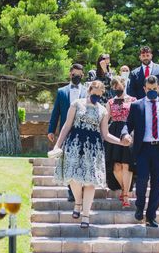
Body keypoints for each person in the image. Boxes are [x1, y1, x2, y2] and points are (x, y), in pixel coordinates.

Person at [51, 80, 125, 228]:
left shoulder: (103, 111)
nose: (96, 96)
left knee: (91, 183)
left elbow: (105, 134)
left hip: (94, 149)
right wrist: (57, 145)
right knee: (73, 178)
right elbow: (66, 126)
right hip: (74, 145)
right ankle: (78, 202)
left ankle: (86, 215)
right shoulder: (76, 104)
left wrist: (120, 141)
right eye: (94, 93)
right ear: (89, 90)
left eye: (99, 94)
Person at [121, 75, 159, 228]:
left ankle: (151, 216)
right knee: (141, 181)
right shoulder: (136, 105)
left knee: (157, 184)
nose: (152, 91)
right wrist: (125, 134)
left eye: (154, 89)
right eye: (149, 89)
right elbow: (127, 125)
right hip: (143, 149)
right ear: (144, 89)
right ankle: (140, 206)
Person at [48, 64, 87, 201]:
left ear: (82, 75)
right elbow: (56, 112)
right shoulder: (61, 91)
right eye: (74, 74)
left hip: (83, 131)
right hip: (66, 131)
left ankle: (80, 188)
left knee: (81, 160)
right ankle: (72, 191)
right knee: (68, 161)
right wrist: (51, 130)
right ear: (70, 74)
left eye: (79, 74)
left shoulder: (88, 91)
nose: (76, 76)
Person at [104, 77, 137, 207]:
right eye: (114, 88)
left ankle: (126, 196)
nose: (116, 89)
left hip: (128, 131)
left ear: (124, 85)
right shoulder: (110, 102)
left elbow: (135, 118)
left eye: (118, 86)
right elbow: (106, 119)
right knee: (116, 166)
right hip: (114, 132)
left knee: (126, 164)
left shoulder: (133, 100)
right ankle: (124, 188)